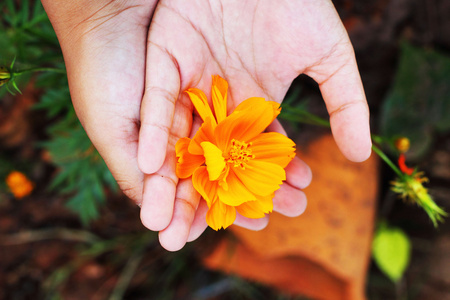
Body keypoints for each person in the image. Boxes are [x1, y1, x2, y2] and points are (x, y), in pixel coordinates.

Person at [41, 0, 371, 251]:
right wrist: (95, 10)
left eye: (241, 153)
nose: (240, 153)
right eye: (241, 152)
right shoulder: (213, 142)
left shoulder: (220, 160)